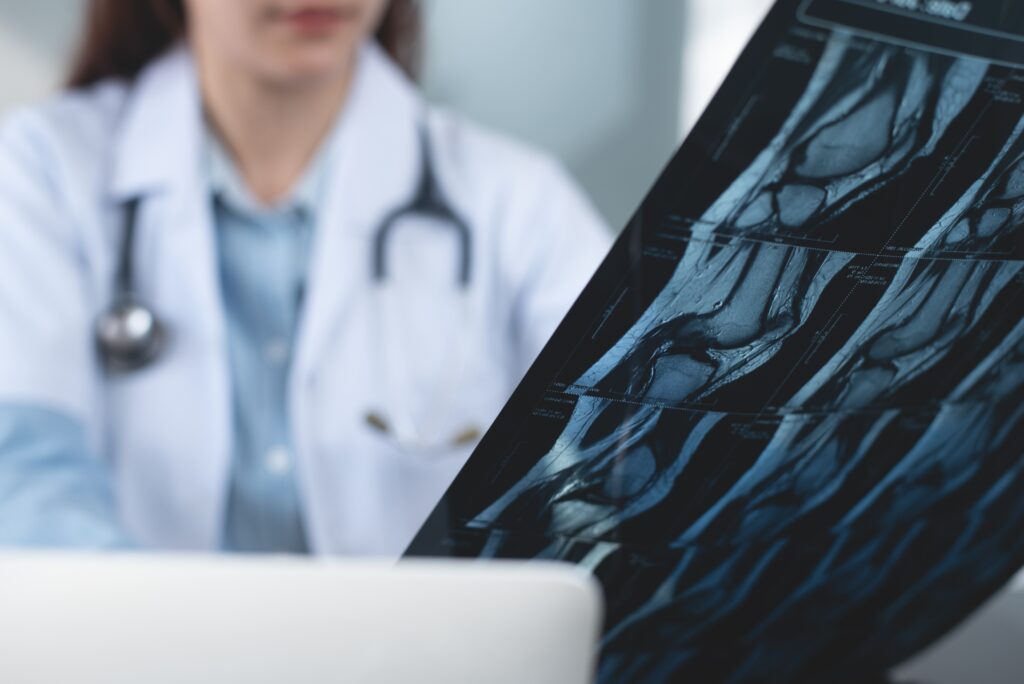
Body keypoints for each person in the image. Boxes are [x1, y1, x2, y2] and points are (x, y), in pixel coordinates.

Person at [0, 0, 610, 555]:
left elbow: (620, 469)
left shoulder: (521, 206)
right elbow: (23, 480)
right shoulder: (41, 172)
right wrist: (167, 633)